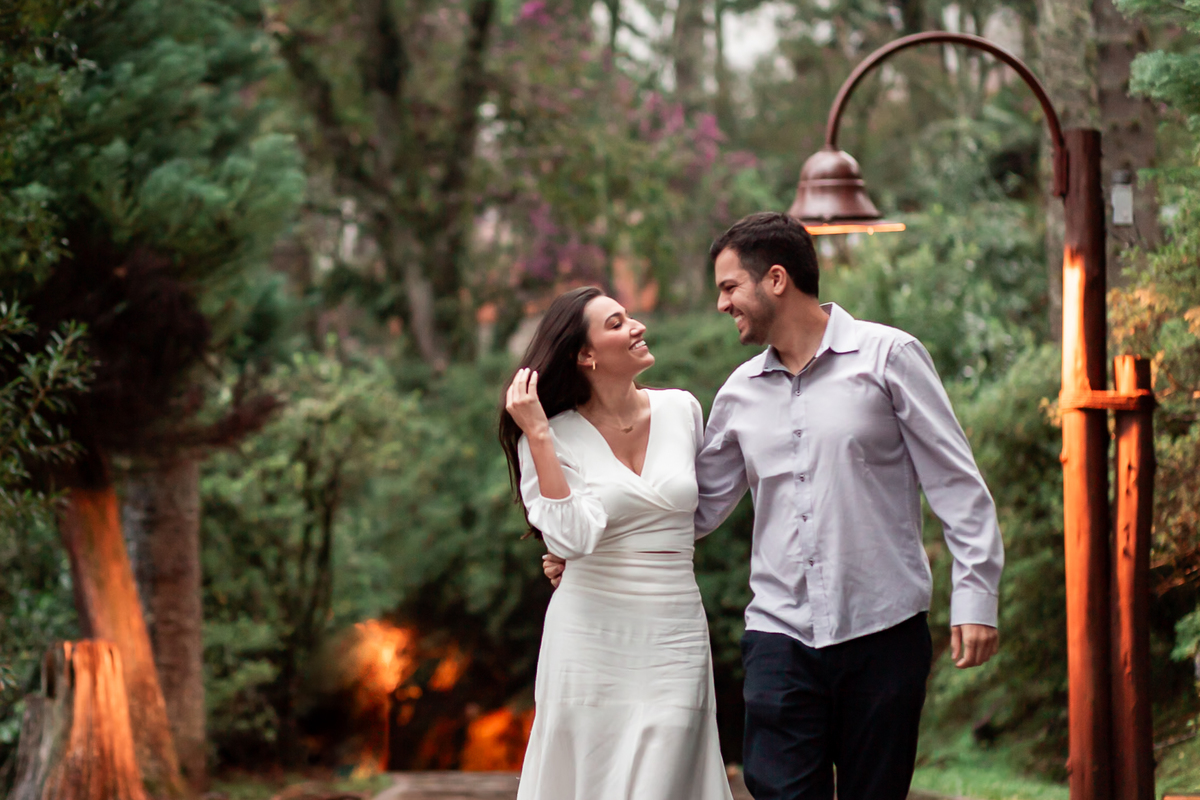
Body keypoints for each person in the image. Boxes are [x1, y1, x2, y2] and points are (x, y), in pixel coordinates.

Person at [545, 212, 1005, 800]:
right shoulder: (739, 392)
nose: (721, 304)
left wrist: (976, 596)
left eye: (730, 287)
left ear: (777, 280)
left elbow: (956, 484)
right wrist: (592, 551)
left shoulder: (889, 357)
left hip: (884, 631)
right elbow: (689, 510)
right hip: (779, 637)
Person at [500, 286, 734, 800]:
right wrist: (538, 435)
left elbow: (694, 510)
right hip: (588, 638)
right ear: (585, 355)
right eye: (617, 323)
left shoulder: (682, 410)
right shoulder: (548, 435)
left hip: (674, 632)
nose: (637, 326)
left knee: (667, 767)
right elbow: (571, 538)